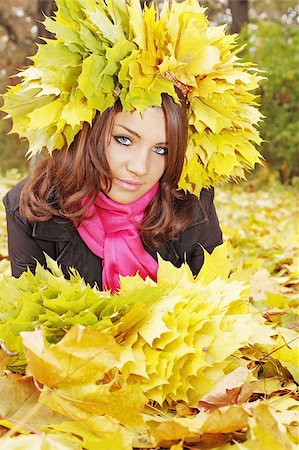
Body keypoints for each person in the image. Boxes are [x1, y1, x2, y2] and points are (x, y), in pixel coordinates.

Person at [2, 0, 262, 292]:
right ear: (89, 132)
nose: (139, 168)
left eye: (161, 150)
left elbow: (217, 306)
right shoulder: (30, 208)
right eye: (124, 139)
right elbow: (36, 324)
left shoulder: (191, 201)